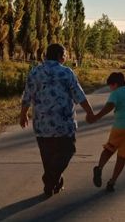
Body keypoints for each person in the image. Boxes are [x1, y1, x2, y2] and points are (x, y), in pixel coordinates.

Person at [19, 43, 95, 197]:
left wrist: (23, 114)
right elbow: (78, 94)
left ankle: (53, 183)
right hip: (63, 124)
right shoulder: (66, 72)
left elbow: (27, 95)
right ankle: (50, 180)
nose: (66, 57)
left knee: (47, 156)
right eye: (65, 54)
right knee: (68, 150)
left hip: (42, 124)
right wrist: (90, 112)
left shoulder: (35, 71)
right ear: (61, 56)